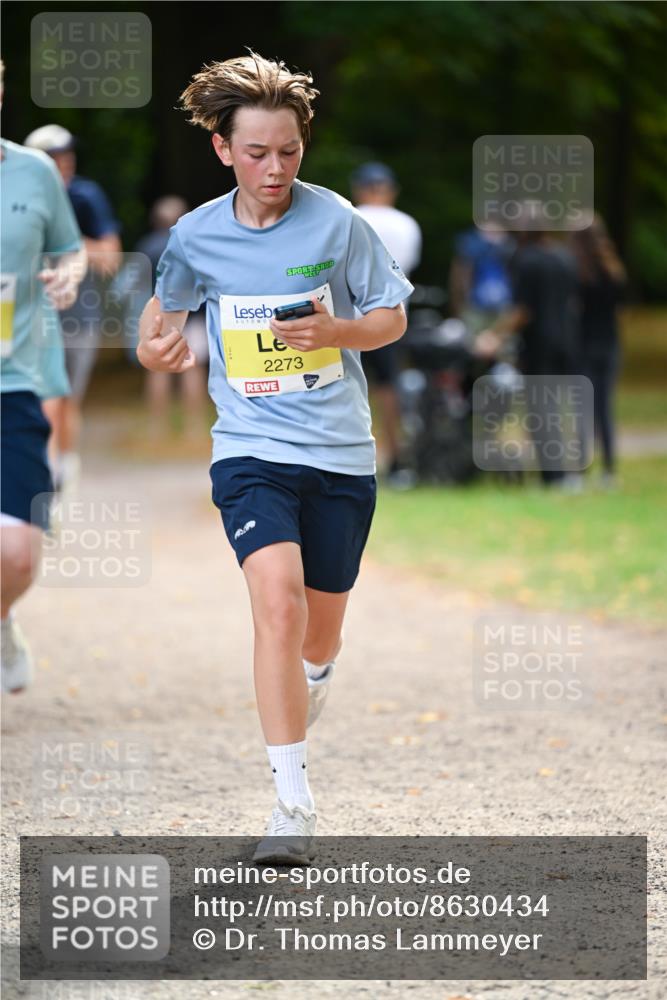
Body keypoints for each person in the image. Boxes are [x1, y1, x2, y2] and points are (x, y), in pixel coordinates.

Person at [136, 53, 413, 863]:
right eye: (256, 152)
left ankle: (315, 676)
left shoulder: (335, 222)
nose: (274, 168)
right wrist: (159, 356)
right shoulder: (194, 235)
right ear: (223, 149)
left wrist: (338, 333)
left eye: (287, 150)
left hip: (339, 454)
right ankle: (291, 806)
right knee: (278, 604)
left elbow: (390, 317)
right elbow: (161, 327)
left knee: (317, 636)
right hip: (251, 449)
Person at [1, 63, 86, 692]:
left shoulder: (32, 171)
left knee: (18, 551)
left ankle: (2, 615)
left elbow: (72, 247)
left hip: (13, 382)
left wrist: (70, 273)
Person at [23, 124, 121, 492]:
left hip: (77, 318)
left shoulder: (85, 197)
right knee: (34, 396)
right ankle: (42, 471)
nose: (64, 163)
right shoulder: (16, 191)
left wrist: (68, 242)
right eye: (54, 157)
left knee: (63, 397)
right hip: (24, 316)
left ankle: (63, 468)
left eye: (68, 155)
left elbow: (110, 257)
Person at [475, 207, 581, 487]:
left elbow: (522, 310)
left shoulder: (525, 260)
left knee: (541, 408)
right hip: (568, 339)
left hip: (540, 344)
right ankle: (572, 471)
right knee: (563, 407)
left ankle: (555, 475)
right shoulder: (564, 257)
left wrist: (494, 335)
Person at [350, 161, 421, 487]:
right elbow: (406, 268)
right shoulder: (407, 223)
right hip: (392, 319)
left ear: (360, 188)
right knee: (390, 389)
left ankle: (351, 458)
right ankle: (397, 459)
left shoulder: (350, 217)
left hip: (350, 320)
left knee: (350, 388)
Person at [134, 196, 209, 442]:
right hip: (194, 317)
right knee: (193, 368)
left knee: (157, 369)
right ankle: (195, 428)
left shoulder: (147, 246)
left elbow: (135, 283)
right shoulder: (194, 243)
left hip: (159, 317)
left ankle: (157, 427)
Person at [570, 216, 626, 487]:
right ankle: (609, 470)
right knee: (604, 409)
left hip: (585, 345)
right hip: (610, 345)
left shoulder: (579, 271)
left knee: (583, 410)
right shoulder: (613, 268)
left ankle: (581, 471)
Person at [449, 223, 514, 336]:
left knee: (473, 346)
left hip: (476, 306)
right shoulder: (510, 243)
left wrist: (458, 306)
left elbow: (459, 278)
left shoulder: (470, 240)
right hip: (501, 307)